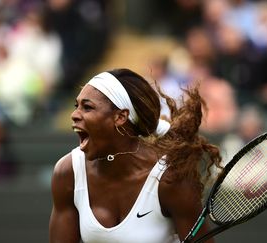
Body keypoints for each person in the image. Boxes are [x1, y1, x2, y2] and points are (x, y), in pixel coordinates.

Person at [49, 68, 223, 242]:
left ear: (120, 117)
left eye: (87, 107)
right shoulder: (67, 173)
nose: (74, 115)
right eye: (76, 106)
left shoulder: (170, 178)